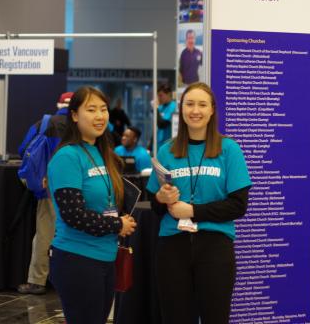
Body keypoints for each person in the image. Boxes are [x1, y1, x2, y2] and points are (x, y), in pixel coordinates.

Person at [147, 82, 251, 324]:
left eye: (202, 105)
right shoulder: (167, 151)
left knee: (215, 317)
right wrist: (161, 198)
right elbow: (154, 205)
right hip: (172, 247)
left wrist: (193, 211)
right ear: (181, 109)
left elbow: (238, 205)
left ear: (212, 110)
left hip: (215, 247)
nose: (195, 110)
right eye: (190, 104)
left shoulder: (229, 149)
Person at [47, 86, 137, 324]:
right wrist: (117, 225)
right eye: (91, 109)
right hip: (77, 259)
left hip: (106, 258)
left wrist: (120, 219)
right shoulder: (67, 157)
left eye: (103, 109)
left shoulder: (101, 153)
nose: (99, 116)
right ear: (74, 115)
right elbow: (73, 215)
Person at [16, 92, 73, 295]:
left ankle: (37, 281)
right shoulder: (81, 126)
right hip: (77, 182)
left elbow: (24, 149)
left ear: (59, 104)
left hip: (48, 183)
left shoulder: (45, 123)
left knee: (45, 232)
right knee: (74, 232)